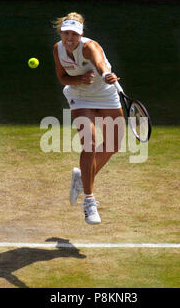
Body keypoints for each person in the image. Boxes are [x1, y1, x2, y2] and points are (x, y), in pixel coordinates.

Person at [52, 12, 125, 225]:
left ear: (81, 34)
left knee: (113, 144)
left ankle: (81, 177)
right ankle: (89, 201)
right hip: (80, 96)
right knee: (90, 144)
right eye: (66, 33)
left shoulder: (89, 47)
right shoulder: (57, 49)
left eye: (74, 34)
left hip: (105, 94)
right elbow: (62, 77)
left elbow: (100, 63)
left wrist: (104, 75)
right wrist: (79, 79)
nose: (69, 38)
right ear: (61, 33)